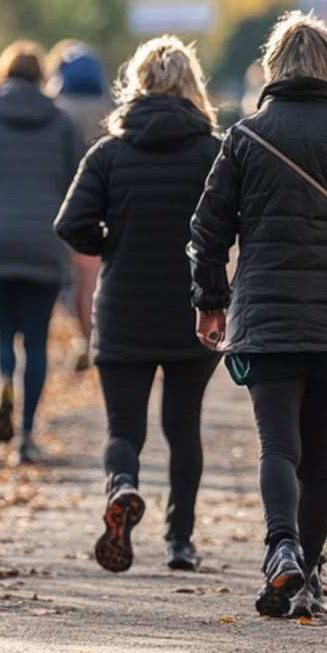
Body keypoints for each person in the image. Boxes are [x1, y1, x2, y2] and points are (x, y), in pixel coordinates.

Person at [190, 11, 327, 619]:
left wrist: (211, 301)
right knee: (322, 461)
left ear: (274, 65)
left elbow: (207, 231)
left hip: (264, 320)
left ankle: (281, 548)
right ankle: (306, 577)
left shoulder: (245, 137)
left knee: (279, 448)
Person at [55, 37, 223, 573]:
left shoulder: (109, 152)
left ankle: (122, 486)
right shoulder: (212, 152)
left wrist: (116, 242)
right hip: (191, 309)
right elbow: (233, 223)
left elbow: (71, 224)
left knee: (123, 429)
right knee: (183, 427)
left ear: (137, 84)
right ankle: (181, 541)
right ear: (193, 85)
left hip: (123, 305)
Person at [0, 42, 87, 464]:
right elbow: (79, 187)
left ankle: (4, 389)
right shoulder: (62, 123)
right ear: (42, 78)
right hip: (44, 245)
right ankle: (27, 435)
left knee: (2, 330)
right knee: (35, 338)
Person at [47, 41, 115, 370]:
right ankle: (96, 335)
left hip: (69, 199)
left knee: (76, 278)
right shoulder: (106, 104)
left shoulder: (58, 106)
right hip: (107, 198)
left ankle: (85, 338)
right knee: (95, 274)